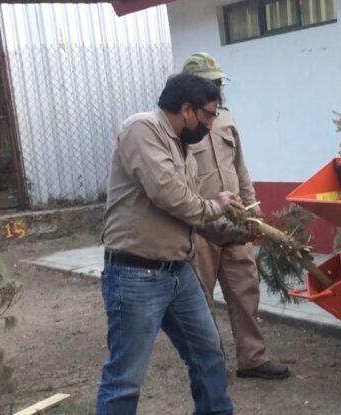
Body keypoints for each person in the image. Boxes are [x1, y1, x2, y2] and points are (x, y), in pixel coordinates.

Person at [97, 73, 251, 414]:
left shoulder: (183, 146)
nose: (211, 125)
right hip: (135, 274)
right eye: (209, 115)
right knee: (125, 378)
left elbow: (191, 214)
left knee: (208, 353)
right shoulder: (141, 130)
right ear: (186, 109)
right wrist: (218, 205)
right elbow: (171, 196)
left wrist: (234, 232)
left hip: (177, 273)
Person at [183, 52, 290, 380]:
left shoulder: (226, 119)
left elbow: (239, 167)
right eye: (209, 84)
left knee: (246, 287)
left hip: (236, 221)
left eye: (217, 83)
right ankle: (209, 363)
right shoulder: (182, 127)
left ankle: (252, 359)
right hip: (201, 225)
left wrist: (253, 208)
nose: (216, 89)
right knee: (201, 297)